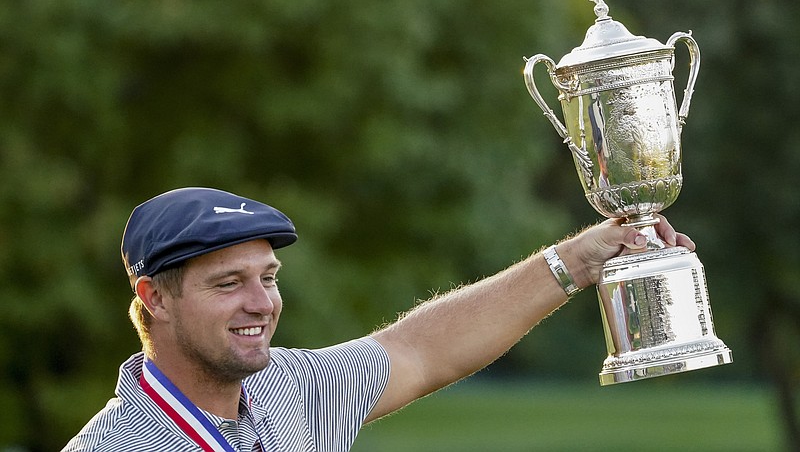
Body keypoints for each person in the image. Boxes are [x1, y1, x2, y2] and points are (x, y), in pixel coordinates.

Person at [62, 186, 694, 451]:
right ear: (155, 297)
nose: (261, 303)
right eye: (228, 284)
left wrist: (576, 261)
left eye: (268, 279)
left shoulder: (289, 390)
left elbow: (422, 350)